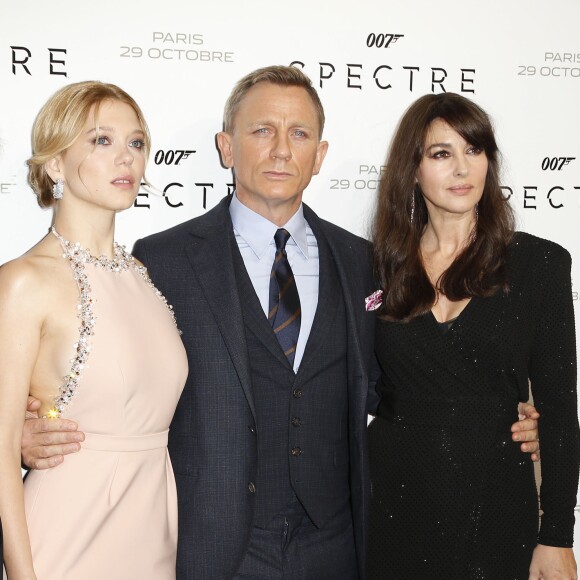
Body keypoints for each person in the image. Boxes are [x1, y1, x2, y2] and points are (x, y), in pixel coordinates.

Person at [19, 68, 541, 580]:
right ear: (227, 147)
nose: (281, 150)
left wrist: (503, 418)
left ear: (320, 155)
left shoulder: (363, 262)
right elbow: (113, 370)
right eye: (262, 130)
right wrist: (30, 422)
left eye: (299, 134)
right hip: (212, 545)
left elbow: (397, 385)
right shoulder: (163, 259)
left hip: (337, 544)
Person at [367, 92, 579, 579]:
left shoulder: (539, 266)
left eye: (475, 150)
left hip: (496, 503)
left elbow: (561, 413)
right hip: (394, 501)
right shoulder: (376, 267)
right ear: (412, 170)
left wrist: (557, 537)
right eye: (442, 154)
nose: (462, 168)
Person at [0, 81, 187, 579]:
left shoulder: (144, 277)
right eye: (102, 140)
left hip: (152, 536)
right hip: (65, 537)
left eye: (136, 142)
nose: (125, 157)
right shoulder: (24, 282)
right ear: (55, 164)